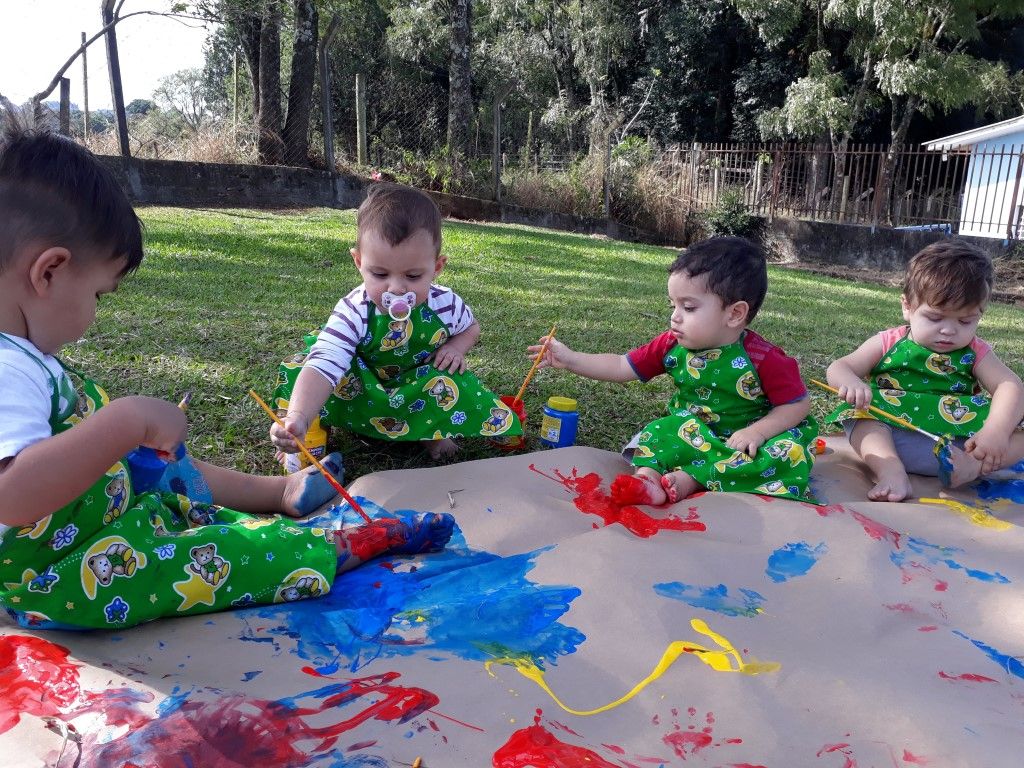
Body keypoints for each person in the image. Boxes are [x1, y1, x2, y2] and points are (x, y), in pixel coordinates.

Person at [0, 125, 454, 630]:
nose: (94, 312)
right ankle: (333, 548)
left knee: (166, 468)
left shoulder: (20, 353)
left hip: (93, 512)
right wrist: (125, 420)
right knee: (211, 560)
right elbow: (12, 497)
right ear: (48, 272)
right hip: (59, 574)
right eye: (98, 295)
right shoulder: (5, 369)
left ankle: (275, 496)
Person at [529, 236, 818, 504]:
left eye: (688, 307)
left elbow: (797, 405)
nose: (674, 317)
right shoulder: (670, 345)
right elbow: (620, 365)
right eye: (673, 305)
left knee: (788, 453)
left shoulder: (764, 358)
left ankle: (690, 479)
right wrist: (571, 359)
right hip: (692, 435)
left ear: (734, 314)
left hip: (747, 446)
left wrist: (758, 432)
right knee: (659, 430)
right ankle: (647, 481)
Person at [270, 183, 520, 462]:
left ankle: (430, 432)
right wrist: (299, 415)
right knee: (304, 368)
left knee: (449, 377)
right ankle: (311, 427)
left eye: (413, 276)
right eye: (379, 274)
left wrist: (457, 348)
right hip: (362, 386)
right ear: (358, 262)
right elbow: (325, 363)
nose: (396, 289)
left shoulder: (447, 303)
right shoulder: (354, 309)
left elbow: (471, 327)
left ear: (436, 268)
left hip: (414, 381)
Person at [826, 240, 1024, 501]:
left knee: (1015, 423)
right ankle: (890, 471)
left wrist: (995, 431)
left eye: (965, 321)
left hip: (961, 445)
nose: (949, 330)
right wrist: (851, 383)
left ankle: (972, 468)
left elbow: (1009, 386)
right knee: (860, 415)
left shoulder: (975, 352)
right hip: (894, 438)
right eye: (935, 317)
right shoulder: (889, 341)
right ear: (907, 307)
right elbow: (840, 366)